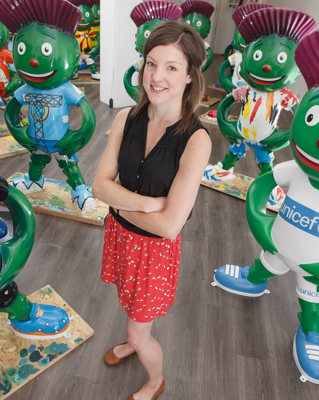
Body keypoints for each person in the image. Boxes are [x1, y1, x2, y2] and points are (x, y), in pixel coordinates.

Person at [93, 21, 211, 400]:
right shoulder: (126, 117)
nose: (156, 76)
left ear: (191, 76)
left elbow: (168, 226)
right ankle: (134, 338)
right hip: (120, 238)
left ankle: (154, 378)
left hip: (152, 255)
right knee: (127, 303)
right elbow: (98, 186)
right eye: (151, 64)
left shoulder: (196, 139)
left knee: (138, 330)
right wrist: (145, 203)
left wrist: (117, 201)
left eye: (172, 67)